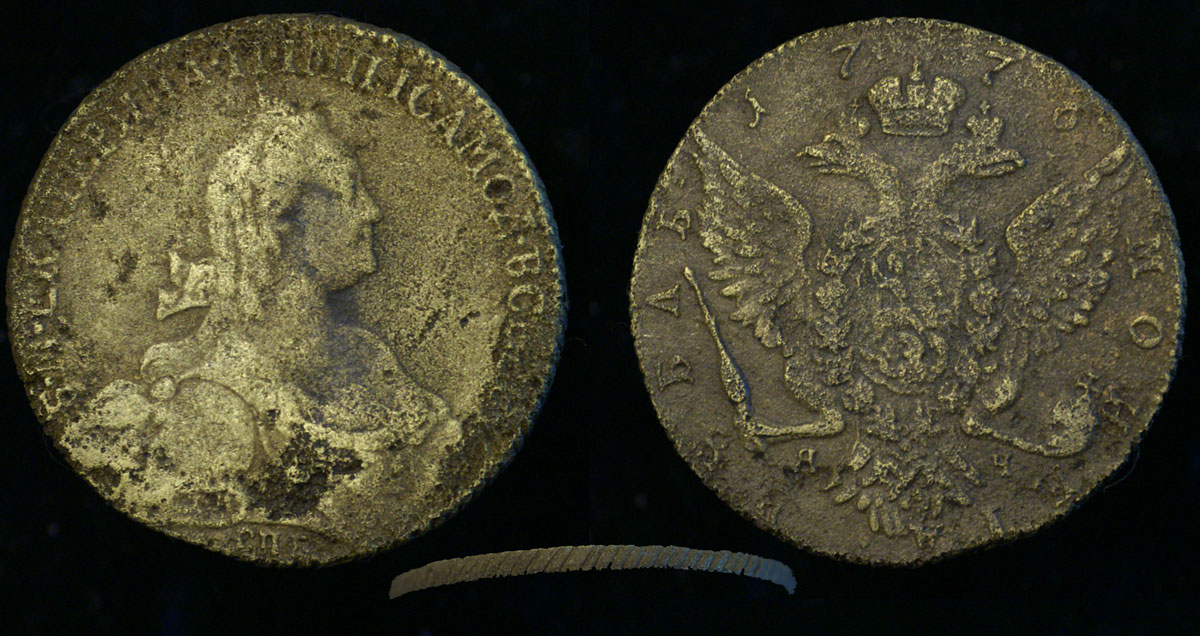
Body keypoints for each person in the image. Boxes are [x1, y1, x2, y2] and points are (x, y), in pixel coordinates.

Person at [63, 102, 461, 531]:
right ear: (282, 224)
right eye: (350, 192)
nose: (371, 211)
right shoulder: (207, 416)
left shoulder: (367, 360)